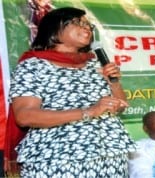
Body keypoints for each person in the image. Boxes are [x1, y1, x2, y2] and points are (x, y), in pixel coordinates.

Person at [7, 7, 136, 177]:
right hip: (57, 158)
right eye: (78, 22)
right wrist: (88, 112)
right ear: (54, 29)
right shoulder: (33, 66)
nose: (87, 28)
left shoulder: (95, 64)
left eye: (89, 25)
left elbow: (120, 107)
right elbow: (25, 116)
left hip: (109, 156)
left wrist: (114, 84)